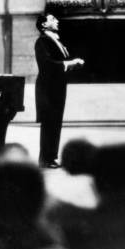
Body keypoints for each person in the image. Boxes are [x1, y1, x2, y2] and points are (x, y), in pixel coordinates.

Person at [35, 14, 84, 168]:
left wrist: (71, 64)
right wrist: (70, 63)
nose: (57, 21)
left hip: (57, 87)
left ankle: (51, 157)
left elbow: (60, 61)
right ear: (43, 25)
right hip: (47, 88)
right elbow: (47, 64)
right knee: (49, 122)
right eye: (52, 19)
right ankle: (45, 159)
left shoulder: (56, 40)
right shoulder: (42, 41)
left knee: (55, 122)